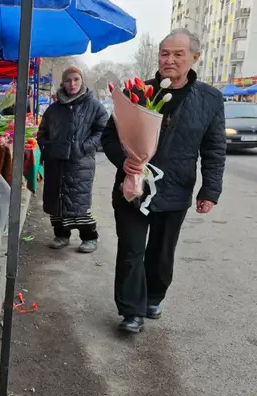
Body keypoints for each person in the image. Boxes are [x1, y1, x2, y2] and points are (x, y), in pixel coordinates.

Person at [102, 28, 226, 333]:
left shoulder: (210, 99)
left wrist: (209, 190)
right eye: (164, 53)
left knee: (161, 250)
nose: (169, 59)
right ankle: (131, 311)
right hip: (133, 187)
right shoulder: (137, 93)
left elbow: (214, 148)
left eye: (178, 54)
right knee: (131, 250)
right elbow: (109, 137)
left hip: (175, 188)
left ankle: (154, 296)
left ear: (195, 58)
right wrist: (127, 162)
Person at [37, 66, 108, 253]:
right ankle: (61, 235)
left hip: (80, 162)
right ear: (63, 83)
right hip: (55, 162)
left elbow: (103, 130)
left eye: (76, 79)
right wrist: (47, 147)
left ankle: (89, 237)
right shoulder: (53, 109)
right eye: (68, 80)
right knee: (56, 200)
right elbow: (42, 132)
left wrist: (84, 147)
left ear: (82, 81)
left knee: (79, 201)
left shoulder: (93, 106)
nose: (72, 83)